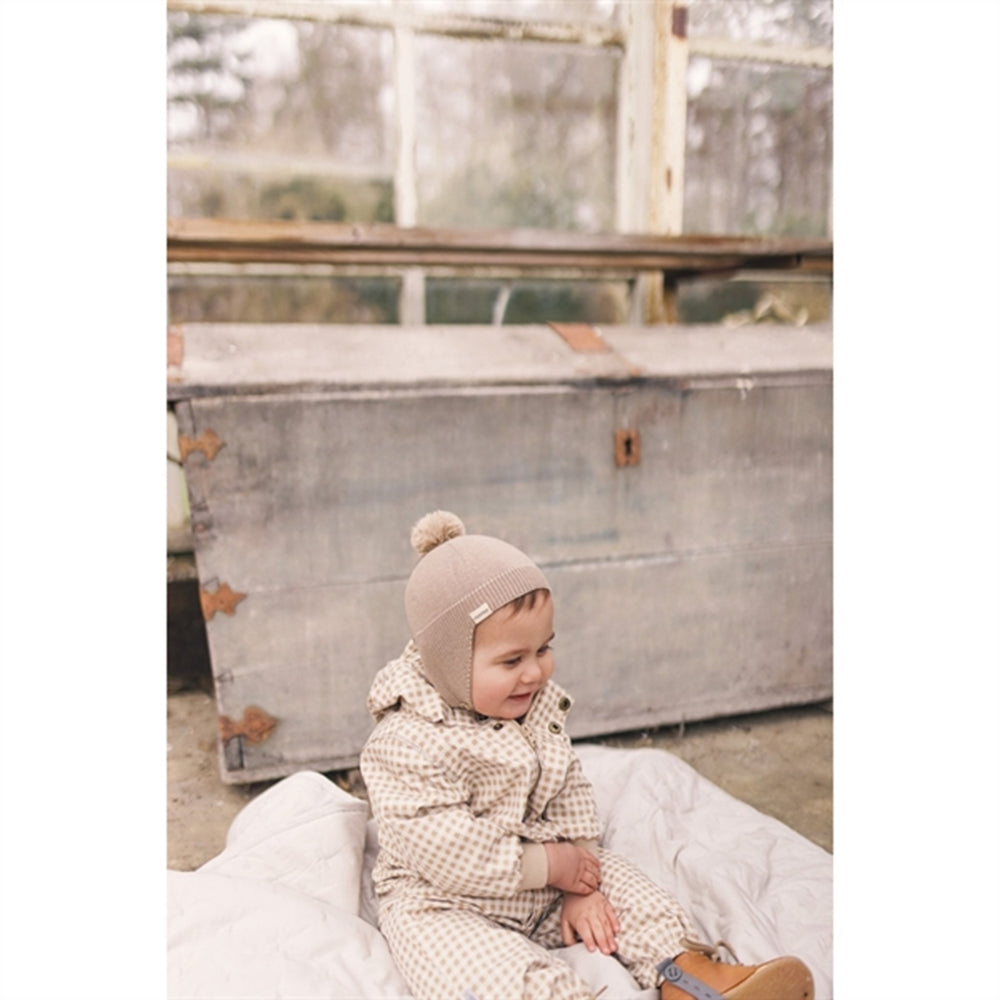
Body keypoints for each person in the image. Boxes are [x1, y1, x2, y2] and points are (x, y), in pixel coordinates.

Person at [360, 511, 814, 1000]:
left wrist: (581, 879)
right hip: (444, 899)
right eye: (512, 660)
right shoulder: (403, 745)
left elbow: (568, 785)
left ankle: (691, 978)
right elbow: (450, 852)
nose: (535, 673)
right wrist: (553, 865)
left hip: (544, 883)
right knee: (477, 969)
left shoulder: (529, 706)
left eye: (543, 649)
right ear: (448, 662)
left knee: (628, 891)